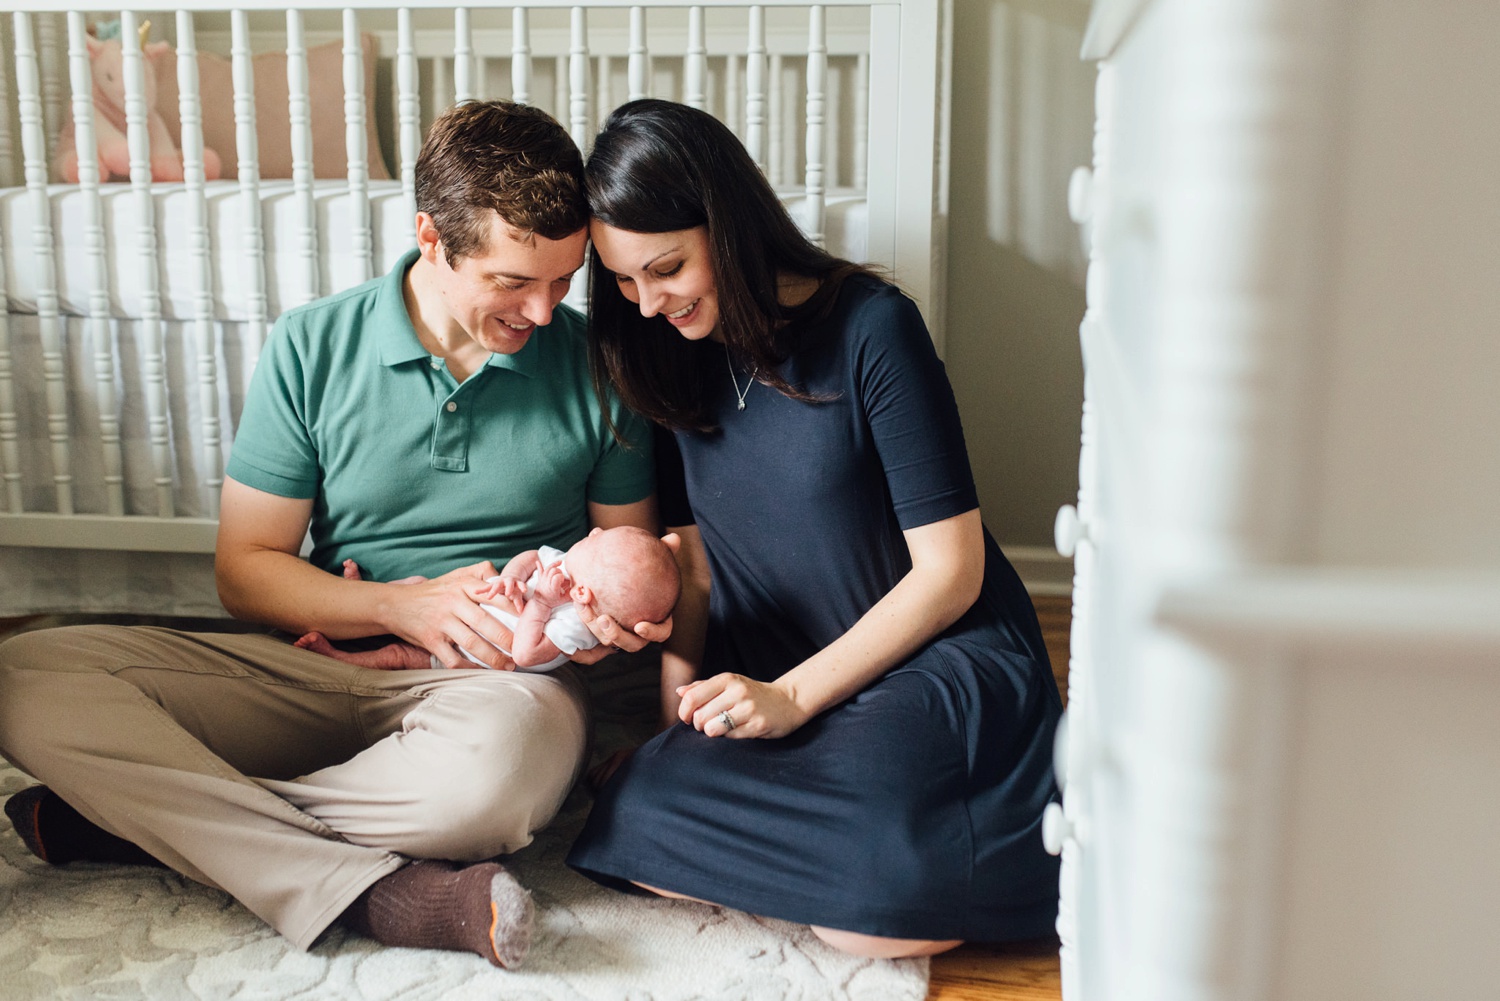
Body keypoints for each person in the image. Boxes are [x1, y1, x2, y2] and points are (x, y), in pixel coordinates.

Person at [0, 100, 671, 970]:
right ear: (433, 238)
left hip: (495, 695)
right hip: (315, 665)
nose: (543, 312)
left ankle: (153, 822)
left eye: (562, 280)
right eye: (513, 282)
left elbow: (628, 564)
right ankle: (380, 888)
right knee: (23, 677)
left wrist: (596, 629)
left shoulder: (597, 368)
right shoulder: (313, 345)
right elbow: (244, 573)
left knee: (495, 787)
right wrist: (399, 605)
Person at [566, 100, 1063, 959]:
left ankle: (889, 872)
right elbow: (696, 566)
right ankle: (882, 873)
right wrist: (671, 729)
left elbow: (952, 572)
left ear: (726, 223)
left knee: (869, 900)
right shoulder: (667, 355)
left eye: (667, 267)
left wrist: (794, 696)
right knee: (634, 809)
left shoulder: (874, 328)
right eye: (622, 281)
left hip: (931, 662)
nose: (646, 304)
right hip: (781, 673)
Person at [296, 525, 681, 672]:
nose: (593, 532)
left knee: (397, 657)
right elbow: (533, 556)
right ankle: (359, 593)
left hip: (468, 656)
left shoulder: (576, 625)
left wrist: (542, 604)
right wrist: (511, 578)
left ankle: (340, 658)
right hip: (452, 604)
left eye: (595, 543)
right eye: (597, 534)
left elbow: (527, 655)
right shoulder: (567, 565)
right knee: (412, 584)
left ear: (583, 594)